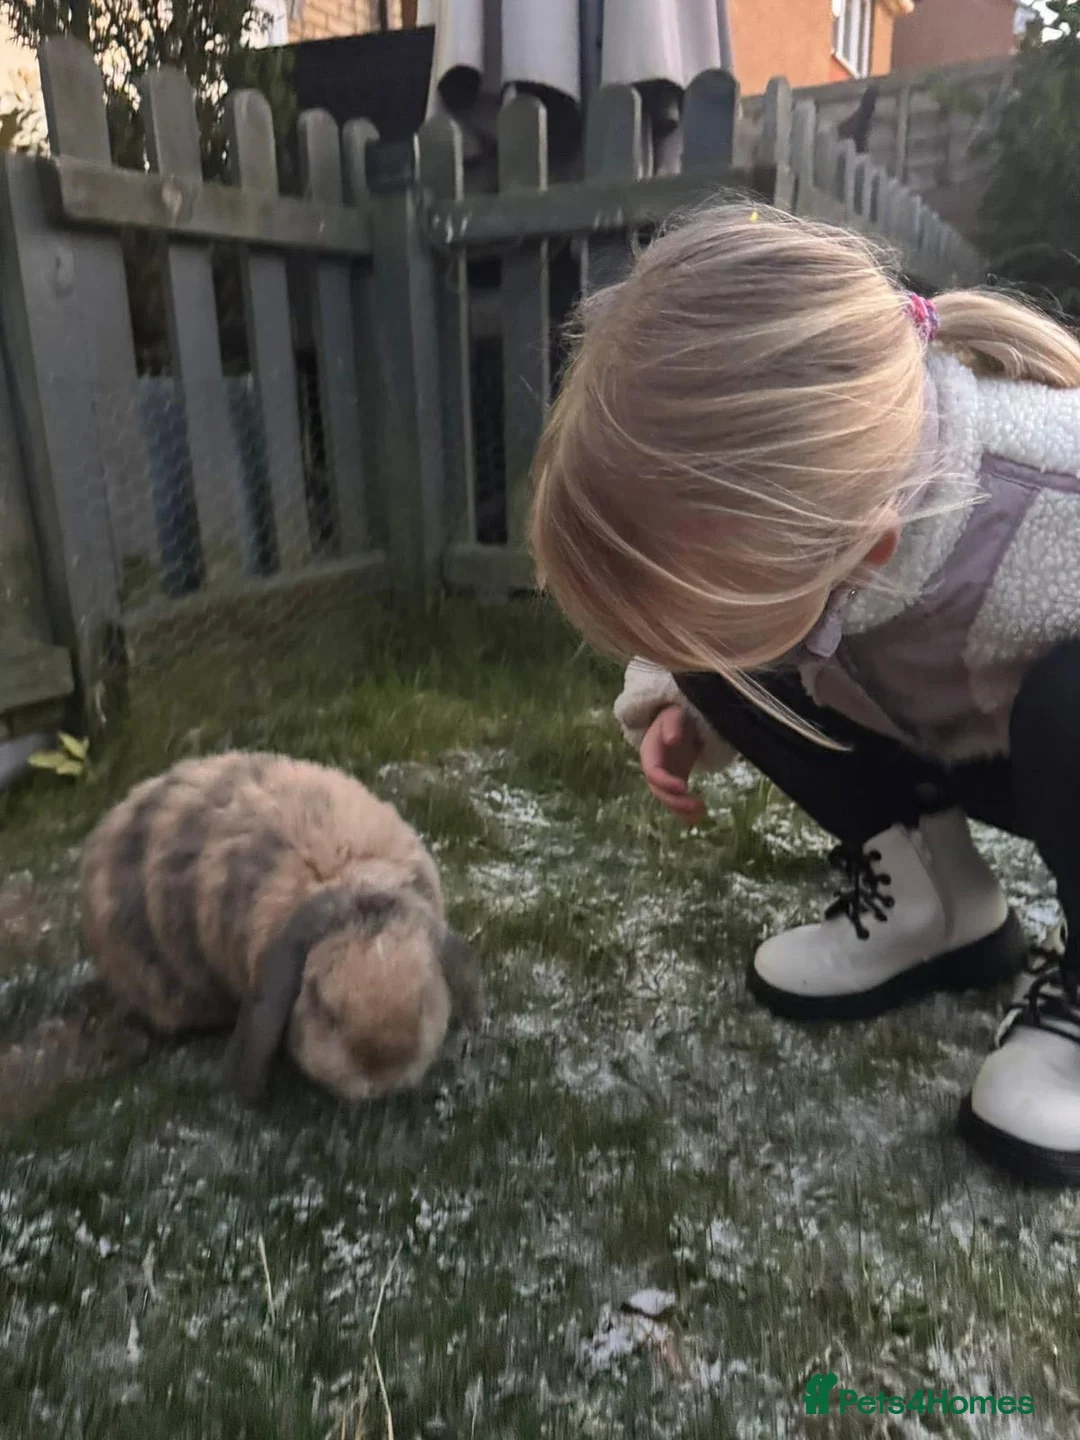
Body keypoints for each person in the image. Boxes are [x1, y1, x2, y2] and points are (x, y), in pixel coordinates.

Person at [528, 201, 1080, 1186]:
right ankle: (935, 903)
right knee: (733, 644)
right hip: (963, 721)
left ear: (862, 549)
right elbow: (720, 603)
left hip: (1047, 733)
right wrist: (682, 691)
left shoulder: (1050, 505)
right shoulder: (833, 499)